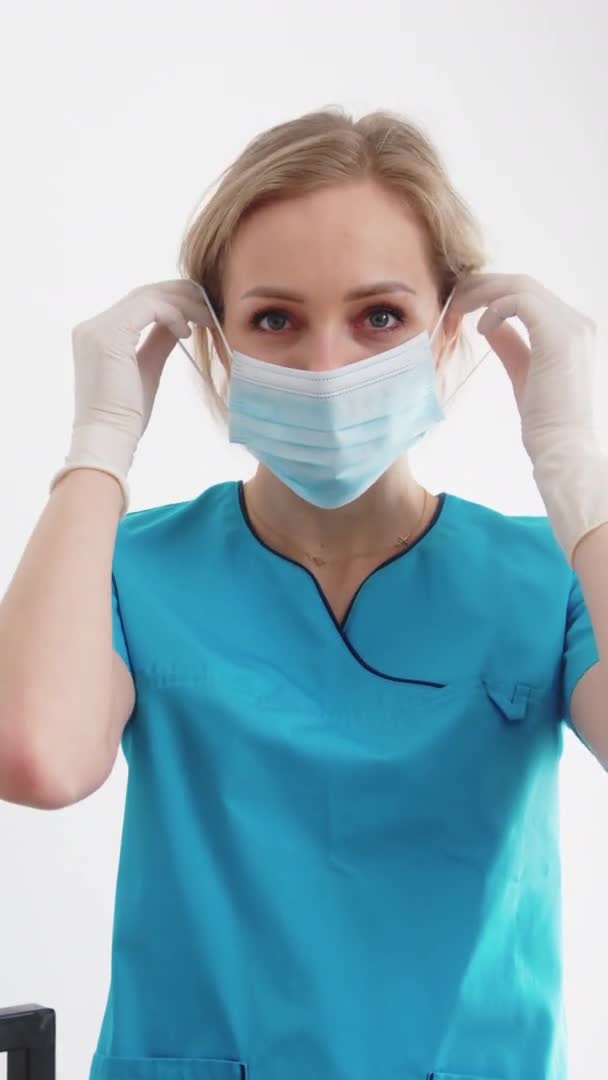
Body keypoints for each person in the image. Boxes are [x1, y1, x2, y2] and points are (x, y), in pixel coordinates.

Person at [1, 107, 601, 1080]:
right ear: (216, 344)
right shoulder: (130, 568)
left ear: (449, 334)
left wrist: (574, 471)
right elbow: (32, 757)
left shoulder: (550, 578)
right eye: (274, 319)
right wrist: (100, 441)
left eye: (379, 317)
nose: (328, 366)